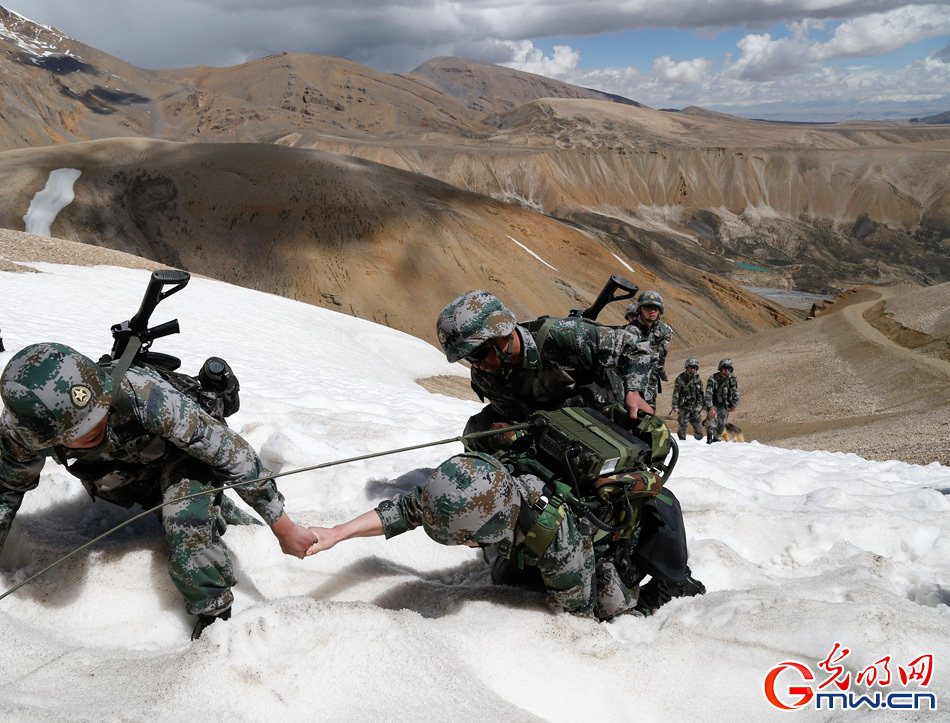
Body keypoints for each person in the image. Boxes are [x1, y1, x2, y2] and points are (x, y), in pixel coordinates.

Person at [306, 291, 704, 618]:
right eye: (469, 358)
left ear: (501, 333)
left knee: (645, 507)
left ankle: (667, 579)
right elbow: (414, 506)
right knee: (478, 437)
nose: (475, 365)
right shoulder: (486, 369)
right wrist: (337, 533)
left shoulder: (559, 336)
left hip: (597, 418)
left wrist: (634, 390)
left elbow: (636, 345)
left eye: (478, 354)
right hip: (541, 431)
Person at [0, 343, 316, 638]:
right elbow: (6, 491)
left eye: (102, 410)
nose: (97, 424)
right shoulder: (22, 434)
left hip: (183, 455)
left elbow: (232, 454)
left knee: (186, 525)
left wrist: (283, 527)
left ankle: (215, 618)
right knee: (170, 507)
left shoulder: (144, 394)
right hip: (129, 471)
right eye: (82, 430)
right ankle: (218, 511)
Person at [623, 291, 673, 409]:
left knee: (648, 414)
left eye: (656, 307)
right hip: (632, 380)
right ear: (640, 309)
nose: (652, 311)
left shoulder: (665, 331)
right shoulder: (631, 331)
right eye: (647, 307)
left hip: (651, 380)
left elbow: (660, 356)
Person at [705, 358, 739, 444]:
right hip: (714, 404)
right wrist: (710, 407)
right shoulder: (713, 378)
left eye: (729, 368)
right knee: (711, 422)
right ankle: (709, 440)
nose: (727, 370)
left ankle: (715, 439)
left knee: (721, 425)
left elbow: (736, 392)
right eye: (725, 368)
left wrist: (734, 404)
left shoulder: (733, 379)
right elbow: (708, 393)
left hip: (725, 406)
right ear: (721, 368)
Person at [671, 358, 704, 441]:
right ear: (687, 367)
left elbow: (700, 392)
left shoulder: (698, 378)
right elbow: (676, 393)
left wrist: (704, 403)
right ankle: (682, 443)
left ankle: (700, 444)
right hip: (684, 407)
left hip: (695, 406)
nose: (693, 369)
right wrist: (675, 405)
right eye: (691, 367)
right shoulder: (680, 378)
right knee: (683, 427)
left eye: (695, 368)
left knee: (698, 426)